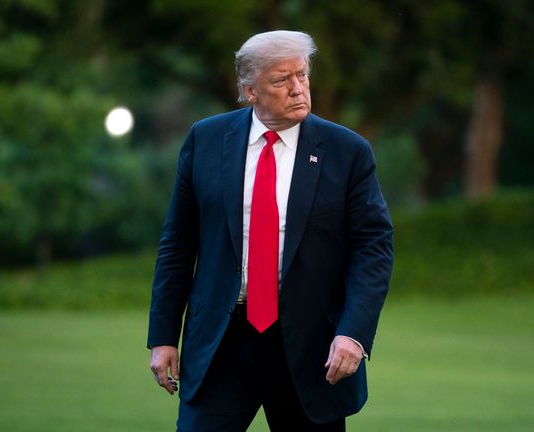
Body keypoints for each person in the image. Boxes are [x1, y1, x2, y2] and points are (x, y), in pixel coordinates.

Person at [147, 30, 393, 432]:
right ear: (249, 91)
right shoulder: (205, 140)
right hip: (221, 344)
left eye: (302, 75)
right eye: (282, 80)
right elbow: (177, 243)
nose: (298, 89)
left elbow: (374, 248)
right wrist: (162, 335)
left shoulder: (348, 152)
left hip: (313, 350)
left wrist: (353, 334)